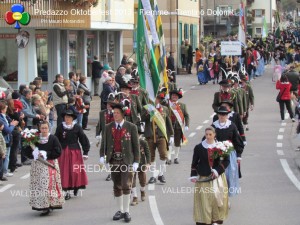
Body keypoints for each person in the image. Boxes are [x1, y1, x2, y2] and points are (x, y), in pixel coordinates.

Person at [99, 103, 140, 223]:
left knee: (126, 185)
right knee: (116, 185)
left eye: (117, 113)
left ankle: (126, 211)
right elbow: (104, 144)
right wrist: (102, 157)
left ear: (123, 114)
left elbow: (136, 146)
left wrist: (136, 161)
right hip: (113, 160)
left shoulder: (131, 127)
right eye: (114, 113)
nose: (115, 115)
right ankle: (120, 210)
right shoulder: (108, 127)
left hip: (126, 160)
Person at [24, 121, 65, 216]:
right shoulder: (35, 139)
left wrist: (46, 153)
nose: (44, 130)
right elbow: (27, 151)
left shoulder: (53, 138)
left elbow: (58, 151)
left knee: (48, 185)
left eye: (46, 128)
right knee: (40, 186)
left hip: (49, 164)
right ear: (39, 129)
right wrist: (33, 153)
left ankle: (49, 204)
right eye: (42, 128)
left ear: (48, 128)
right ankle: (43, 205)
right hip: (38, 166)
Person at [190, 126, 229, 225]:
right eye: (206, 134)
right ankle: (204, 221)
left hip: (217, 178)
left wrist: (217, 170)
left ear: (214, 135)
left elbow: (226, 161)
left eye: (210, 134)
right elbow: (194, 163)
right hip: (204, 179)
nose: (208, 136)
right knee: (205, 202)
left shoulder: (220, 146)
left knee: (217, 200)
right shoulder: (199, 147)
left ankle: (216, 221)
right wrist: (193, 175)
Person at [55, 110, 90, 200]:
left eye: (69, 117)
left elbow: (83, 139)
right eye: (66, 117)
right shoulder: (60, 127)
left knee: (75, 171)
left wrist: (85, 152)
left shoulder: (77, 127)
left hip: (75, 152)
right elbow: (56, 139)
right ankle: (66, 191)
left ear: (73, 118)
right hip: (63, 152)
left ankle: (76, 186)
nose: (67, 119)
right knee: (64, 171)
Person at [141, 93, 174, 184]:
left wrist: (171, 135)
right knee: (151, 156)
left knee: (163, 155)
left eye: (158, 98)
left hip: (161, 136)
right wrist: (148, 113)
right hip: (150, 136)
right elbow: (142, 119)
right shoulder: (146, 108)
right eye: (155, 98)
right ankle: (153, 176)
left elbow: (168, 122)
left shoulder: (165, 109)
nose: (156, 100)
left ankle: (161, 174)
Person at [212, 106, 244, 197]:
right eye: (220, 114)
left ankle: (227, 198)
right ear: (218, 115)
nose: (222, 116)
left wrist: (238, 155)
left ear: (227, 115)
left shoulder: (232, 126)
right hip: (216, 155)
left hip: (229, 155)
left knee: (229, 176)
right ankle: (218, 196)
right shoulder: (214, 126)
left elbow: (237, 141)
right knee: (217, 175)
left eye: (224, 114)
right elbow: (208, 139)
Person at [168, 89, 189, 164]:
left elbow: (186, 115)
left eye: (176, 96)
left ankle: (176, 157)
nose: (174, 97)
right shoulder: (167, 105)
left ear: (178, 97)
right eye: (173, 95)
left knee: (177, 143)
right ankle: (169, 158)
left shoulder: (182, 105)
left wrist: (186, 125)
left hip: (178, 127)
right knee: (169, 142)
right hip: (169, 127)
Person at [131, 130, 151, 206]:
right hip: (131, 164)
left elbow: (148, 153)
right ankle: (135, 197)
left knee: (143, 180)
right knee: (132, 180)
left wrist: (148, 163)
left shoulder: (143, 142)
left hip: (141, 164)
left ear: (139, 135)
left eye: (137, 135)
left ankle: (142, 191)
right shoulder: (129, 143)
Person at [0, 101, 19, 178]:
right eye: (5, 108)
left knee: (6, 155)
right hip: (4, 139)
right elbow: (7, 130)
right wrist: (12, 125)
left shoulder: (4, 116)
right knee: (4, 156)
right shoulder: (1, 117)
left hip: (7, 139)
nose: (6, 110)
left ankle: (4, 171)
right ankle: (4, 172)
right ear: (2, 109)